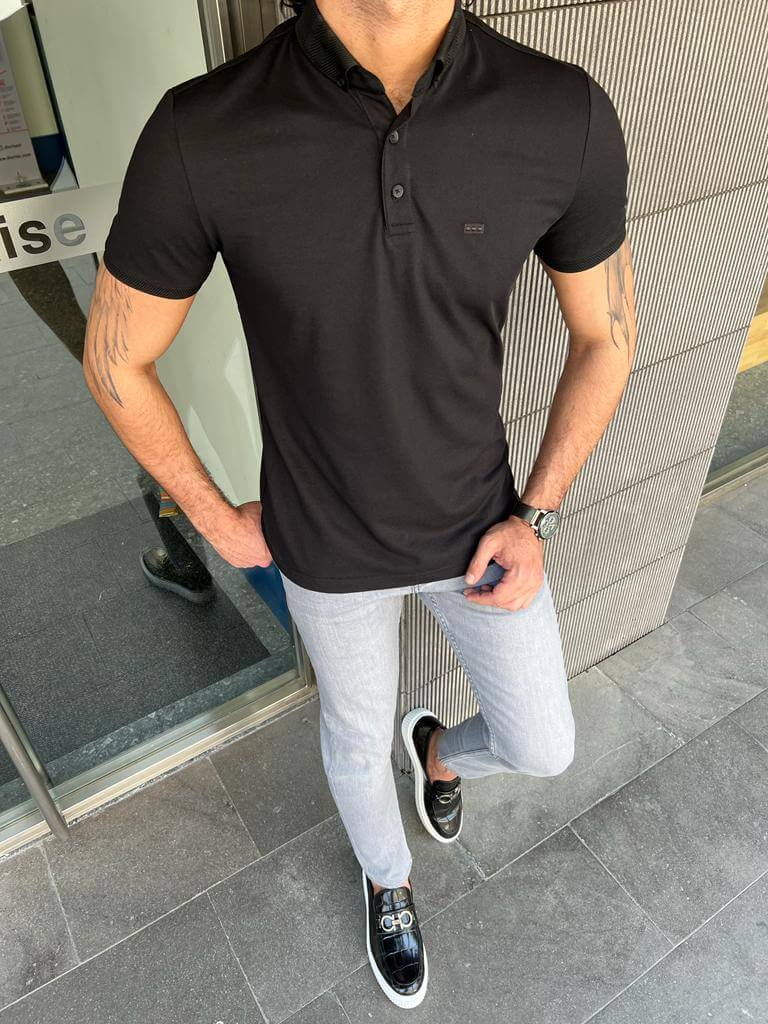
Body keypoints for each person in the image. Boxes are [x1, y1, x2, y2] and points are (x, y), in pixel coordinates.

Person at [83, 0, 637, 1008]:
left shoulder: (561, 113)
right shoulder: (206, 129)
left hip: (481, 530)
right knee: (352, 733)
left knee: (542, 744)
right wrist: (216, 520)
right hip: (323, 543)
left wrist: (539, 514)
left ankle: (437, 753)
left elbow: (608, 337)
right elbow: (117, 358)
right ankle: (389, 881)